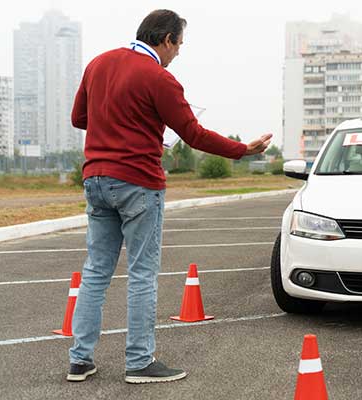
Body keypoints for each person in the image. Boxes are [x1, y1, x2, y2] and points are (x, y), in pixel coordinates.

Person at [66, 9, 272, 384]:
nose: (178, 53)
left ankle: (80, 360)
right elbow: (193, 134)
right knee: (142, 273)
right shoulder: (160, 78)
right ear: (165, 40)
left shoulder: (98, 64)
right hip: (138, 183)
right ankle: (140, 361)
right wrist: (243, 149)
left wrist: (117, 124)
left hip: (96, 179)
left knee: (96, 272)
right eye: (178, 45)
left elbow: (80, 118)